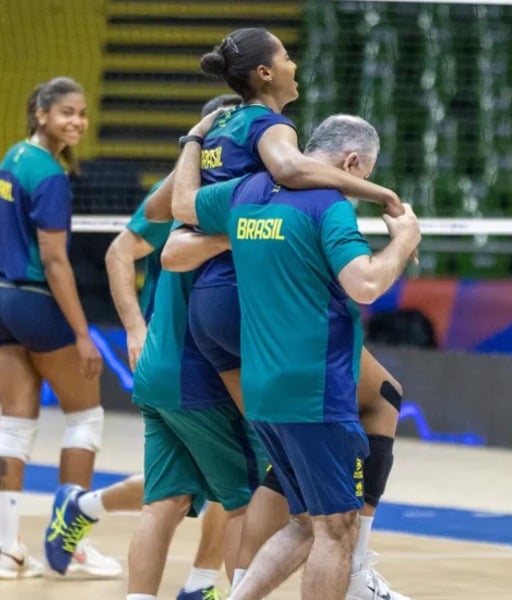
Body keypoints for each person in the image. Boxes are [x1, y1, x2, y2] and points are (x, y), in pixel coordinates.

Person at [174, 29, 412, 599]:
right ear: (351, 164)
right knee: (334, 526)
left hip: (255, 369)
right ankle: (353, 575)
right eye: (284, 56)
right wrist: (400, 232)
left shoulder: (245, 186)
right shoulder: (315, 190)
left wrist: (190, 140)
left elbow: (181, 215)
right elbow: (366, 284)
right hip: (309, 382)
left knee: (301, 513)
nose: (294, 62)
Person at [45, 95, 265, 600]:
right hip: (193, 361)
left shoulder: (219, 195)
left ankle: (92, 513)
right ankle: (206, 583)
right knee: (243, 496)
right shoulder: (196, 198)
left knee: (172, 498)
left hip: (170, 365)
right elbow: (121, 250)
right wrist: (134, 328)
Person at [0, 76, 120, 578]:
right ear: (41, 113)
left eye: (82, 113)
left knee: (16, 425)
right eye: (67, 113)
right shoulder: (51, 176)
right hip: (34, 302)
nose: (77, 121)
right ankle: (74, 544)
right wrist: (83, 334)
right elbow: (55, 261)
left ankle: (6, 550)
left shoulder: (12, 157)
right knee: (86, 418)